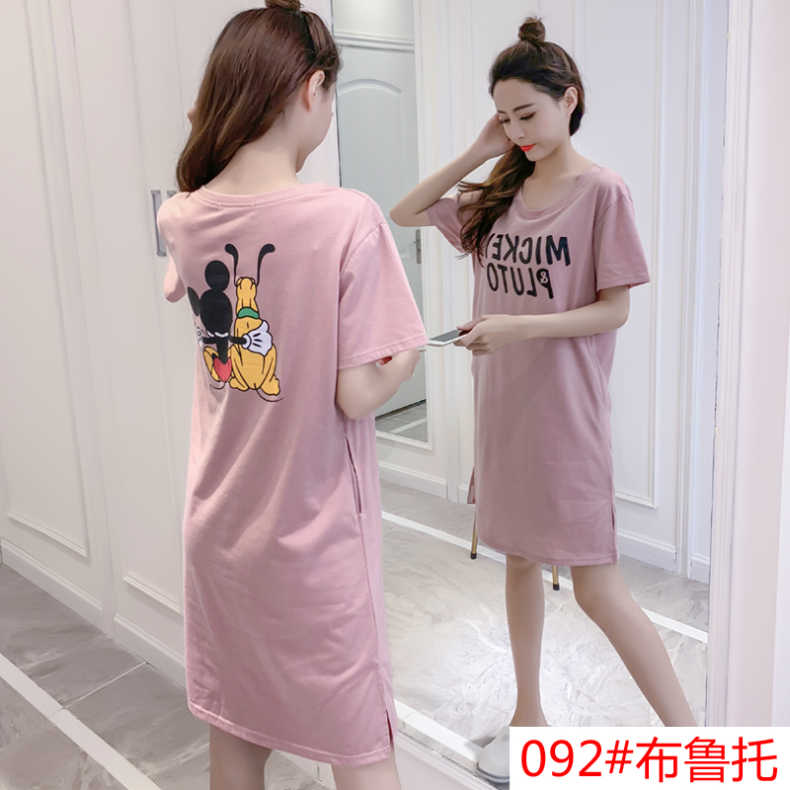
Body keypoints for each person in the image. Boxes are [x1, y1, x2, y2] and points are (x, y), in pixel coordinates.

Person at [391, 15, 696, 784]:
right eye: (505, 118)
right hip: (504, 414)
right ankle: (529, 716)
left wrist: (516, 328)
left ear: (570, 100)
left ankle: (697, 744)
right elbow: (406, 211)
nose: (518, 131)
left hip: (566, 417)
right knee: (520, 561)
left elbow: (613, 310)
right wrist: (478, 151)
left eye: (527, 113)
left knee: (598, 587)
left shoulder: (602, 193)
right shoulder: (499, 193)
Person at [156, 2, 426, 788]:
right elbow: (357, 393)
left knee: (237, 738)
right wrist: (408, 357)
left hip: (219, 535)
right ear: (312, 90)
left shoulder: (184, 216)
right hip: (313, 547)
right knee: (360, 748)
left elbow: (193, 223)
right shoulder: (347, 218)